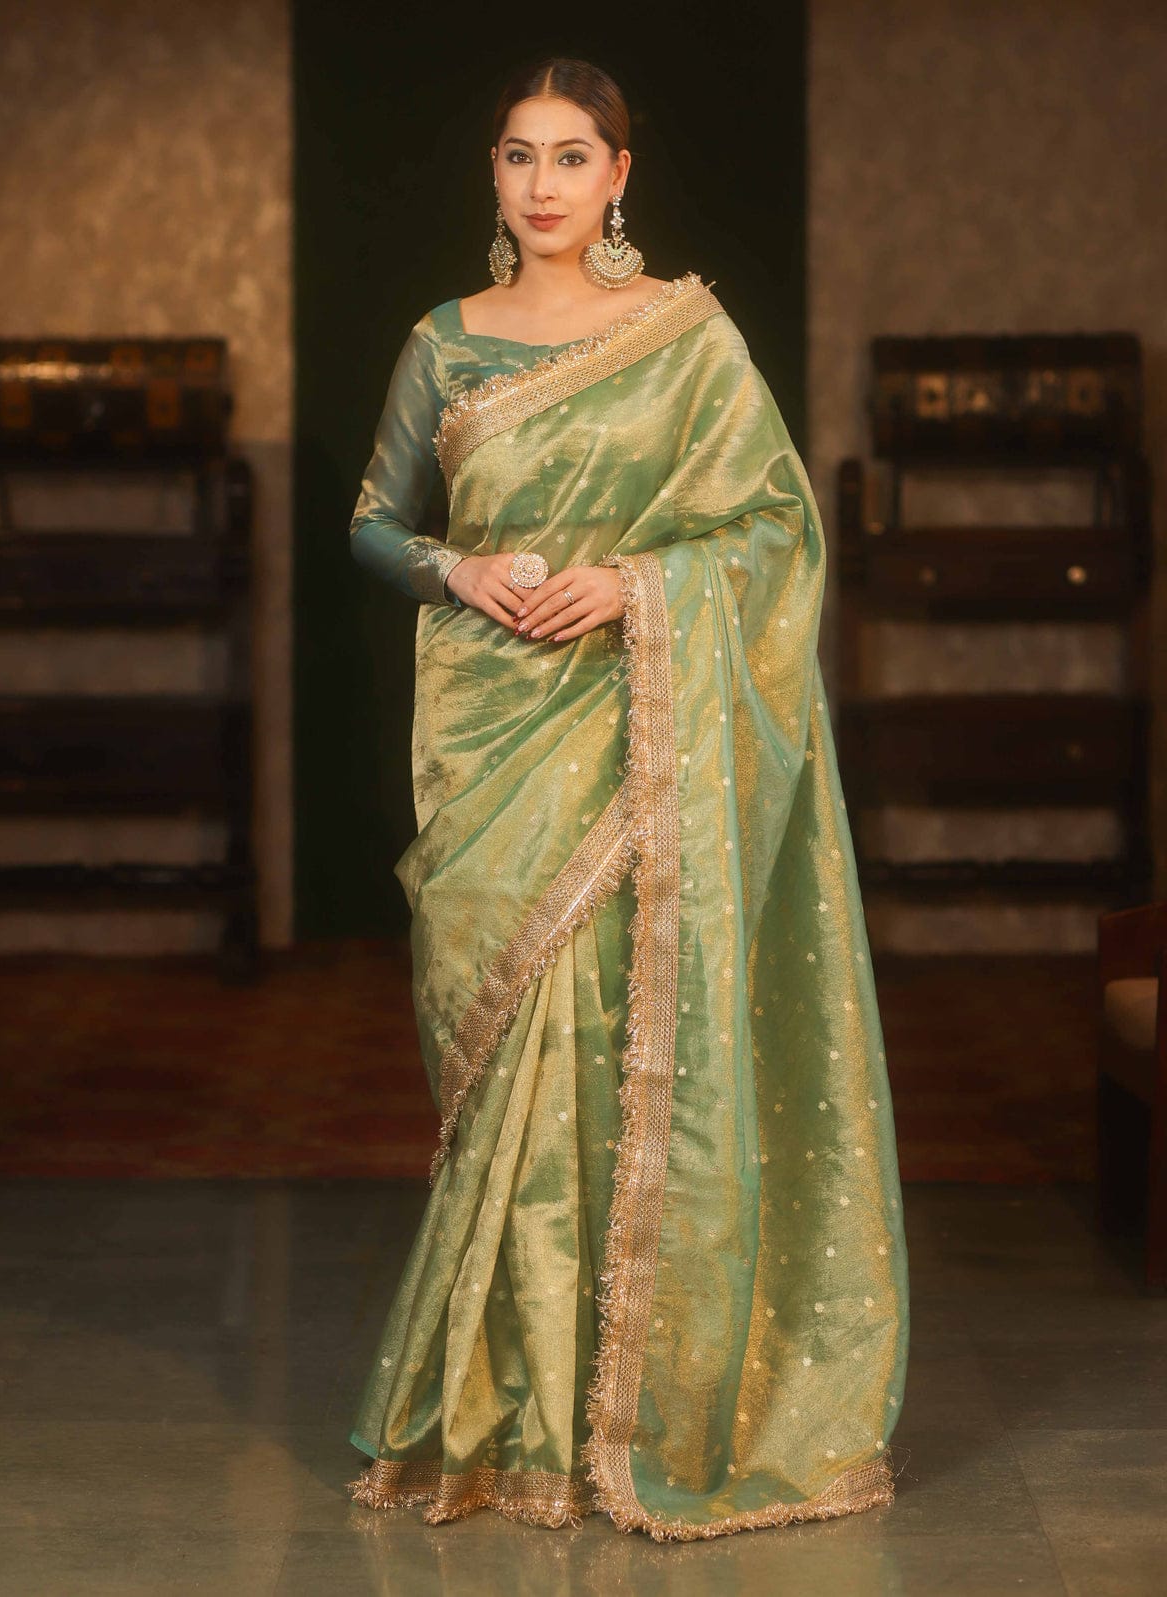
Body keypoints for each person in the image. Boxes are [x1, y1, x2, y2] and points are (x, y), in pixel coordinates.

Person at [343, 54, 910, 1543]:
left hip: (636, 722)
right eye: (518, 155)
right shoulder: (444, 344)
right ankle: (501, 1418)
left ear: (619, 176)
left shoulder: (685, 335)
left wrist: (638, 584)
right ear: (493, 174)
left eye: (572, 155)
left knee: (618, 1028)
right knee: (503, 1054)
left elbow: (775, 527)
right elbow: (374, 522)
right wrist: (458, 566)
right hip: (492, 736)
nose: (543, 183)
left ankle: (631, 1410)